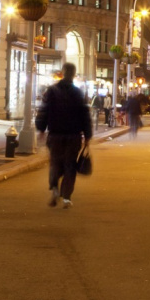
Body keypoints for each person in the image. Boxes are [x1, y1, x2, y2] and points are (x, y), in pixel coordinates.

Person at [36, 63, 93, 209]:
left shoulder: (51, 91)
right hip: (73, 136)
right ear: (73, 75)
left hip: (55, 135)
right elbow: (85, 115)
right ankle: (66, 196)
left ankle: (54, 188)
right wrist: (87, 135)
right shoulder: (78, 93)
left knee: (55, 163)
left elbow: (44, 111)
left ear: (62, 73)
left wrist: (41, 129)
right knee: (70, 166)